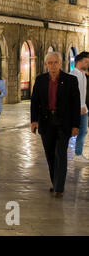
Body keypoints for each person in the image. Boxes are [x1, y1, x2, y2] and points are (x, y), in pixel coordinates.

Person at [31, 52, 80, 198]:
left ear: (60, 63)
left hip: (63, 123)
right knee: (50, 155)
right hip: (46, 123)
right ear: (46, 64)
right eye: (50, 63)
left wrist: (75, 125)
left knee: (61, 154)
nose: (53, 65)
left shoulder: (70, 80)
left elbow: (75, 104)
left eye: (55, 62)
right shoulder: (40, 80)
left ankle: (59, 187)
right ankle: (55, 182)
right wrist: (34, 121)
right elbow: (35, 102)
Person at [69, 51, 89, 162]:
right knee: (72, 131)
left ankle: (78, 154)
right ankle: (76, 154)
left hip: (84, 108)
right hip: (78, 108)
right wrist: (80, 106)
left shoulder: (83, 75)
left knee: (83, 131)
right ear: (79, 61)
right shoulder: (73, 75)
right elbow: (75, 94)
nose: (87, 64)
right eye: (86, 62)